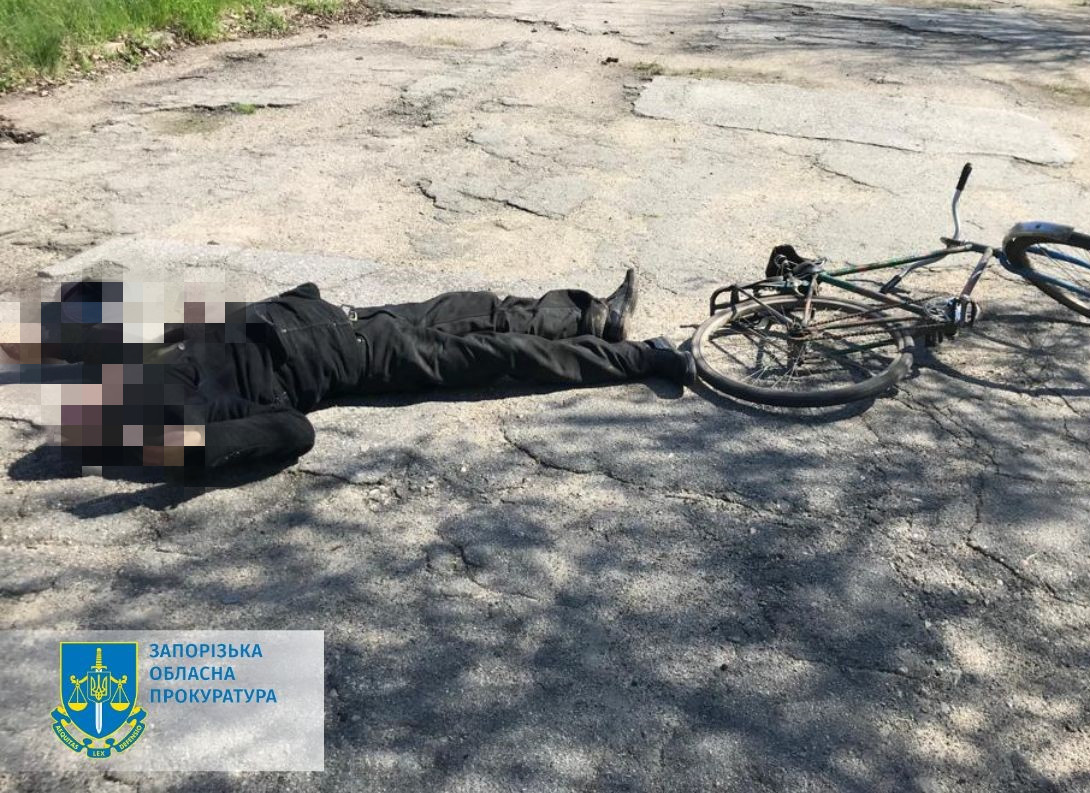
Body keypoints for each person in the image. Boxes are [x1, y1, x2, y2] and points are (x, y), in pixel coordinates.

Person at [0, 272, 695, 473]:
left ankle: (594, 315)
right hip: (365, 359)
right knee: (504, 354)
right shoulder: (196, 418)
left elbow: (91, 325)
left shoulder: (150, 362)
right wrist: (182, 451)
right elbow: (294, 433)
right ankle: (644, 357)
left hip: (342, 313)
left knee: (478, 307)